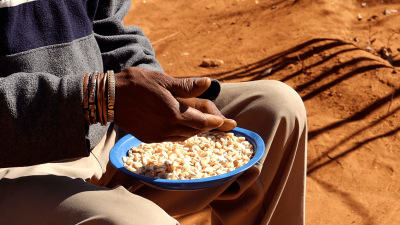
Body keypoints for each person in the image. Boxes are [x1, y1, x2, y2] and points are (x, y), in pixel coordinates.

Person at [0, 0, 307, 224]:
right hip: (14, 163)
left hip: (108, 128)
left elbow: (109, 26)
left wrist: (155, 91)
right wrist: (95, 98)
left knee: (277, 109)